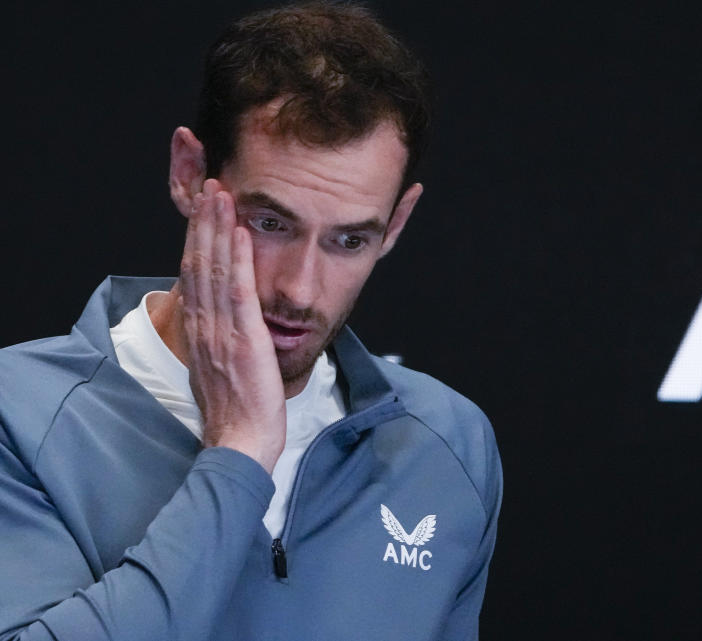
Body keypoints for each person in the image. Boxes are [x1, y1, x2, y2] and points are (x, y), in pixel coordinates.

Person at [0, 3, 501, 640]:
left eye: (349, 241)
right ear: (190, 174)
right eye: (270, 223)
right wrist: (239, 452)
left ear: (396, 225)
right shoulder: (17, 415)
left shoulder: (448, 444)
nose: (299, 288)